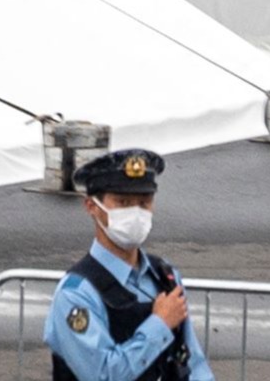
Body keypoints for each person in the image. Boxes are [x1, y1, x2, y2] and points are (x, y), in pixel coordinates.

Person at [46, 147, 199, 381]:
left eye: (143, 203)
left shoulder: (164, 277)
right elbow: (102, 375)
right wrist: (159, 324)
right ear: (92, 206)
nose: (135, 213)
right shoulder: (76, 294)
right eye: (123, 202)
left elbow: (192, 362)